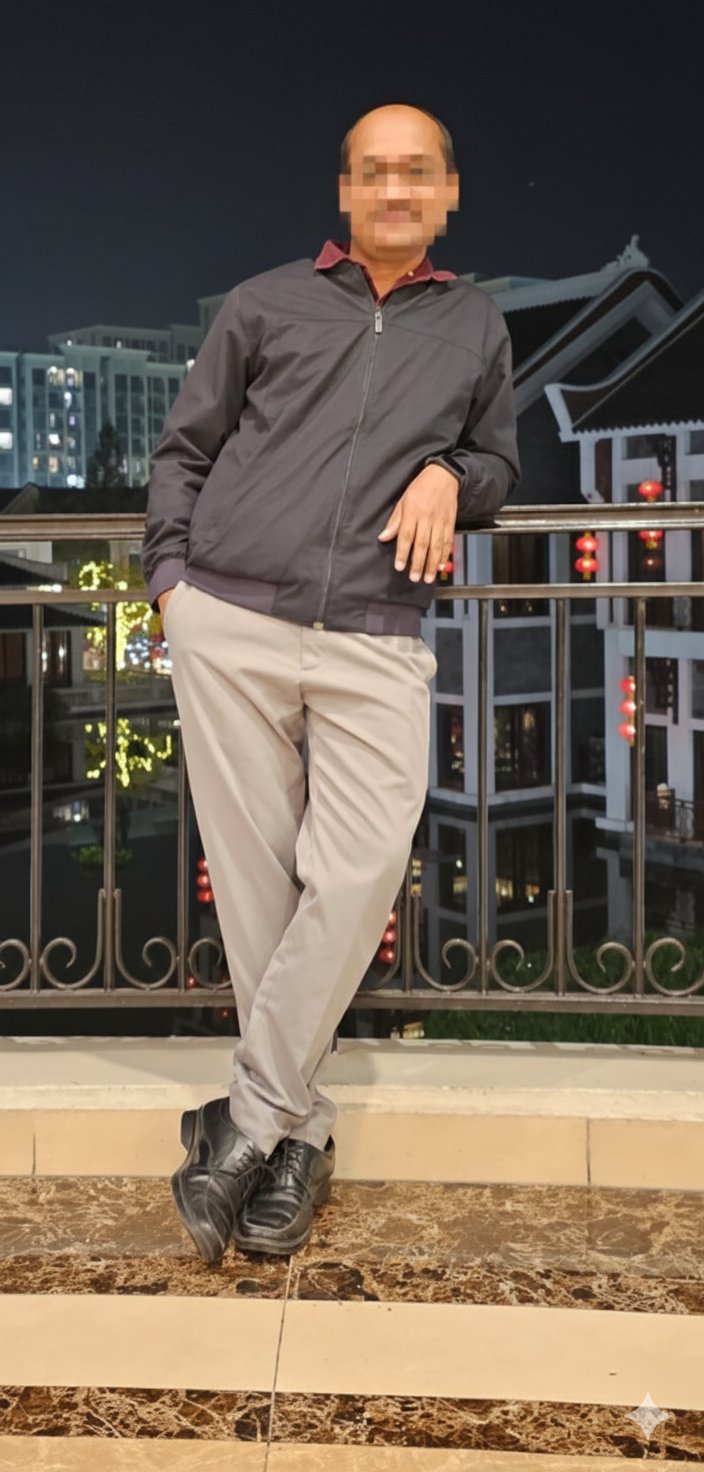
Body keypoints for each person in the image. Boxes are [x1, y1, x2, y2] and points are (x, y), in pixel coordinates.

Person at [140, 101, 520, 1267]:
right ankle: (296, 1143)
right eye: (373, 172)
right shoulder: (263, 304)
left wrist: (451, 475)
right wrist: (170, 586)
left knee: (354, 874)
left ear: (447, 192)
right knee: (256, 885)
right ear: (344, 192)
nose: (395, 189)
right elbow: (185, 450)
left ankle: (247, 1120)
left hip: (374, 632)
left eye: (417, 172)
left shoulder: (475, 324)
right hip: (229, 620)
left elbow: (498, 458)